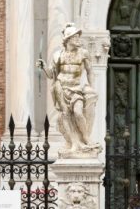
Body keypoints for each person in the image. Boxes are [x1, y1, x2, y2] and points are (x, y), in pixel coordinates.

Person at [39, 23, 99, 155]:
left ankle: (86, 138)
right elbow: (51, 75)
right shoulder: (58, 55)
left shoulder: (84, 54)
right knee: (65, 115)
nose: (78, 39)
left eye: (78, 36)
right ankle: (73, 143)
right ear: (68, 39)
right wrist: (43, 66)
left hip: (76, 88)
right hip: (61, 87)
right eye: (75, 37)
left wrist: (92, 87)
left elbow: (90, 72)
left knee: (78, 112)